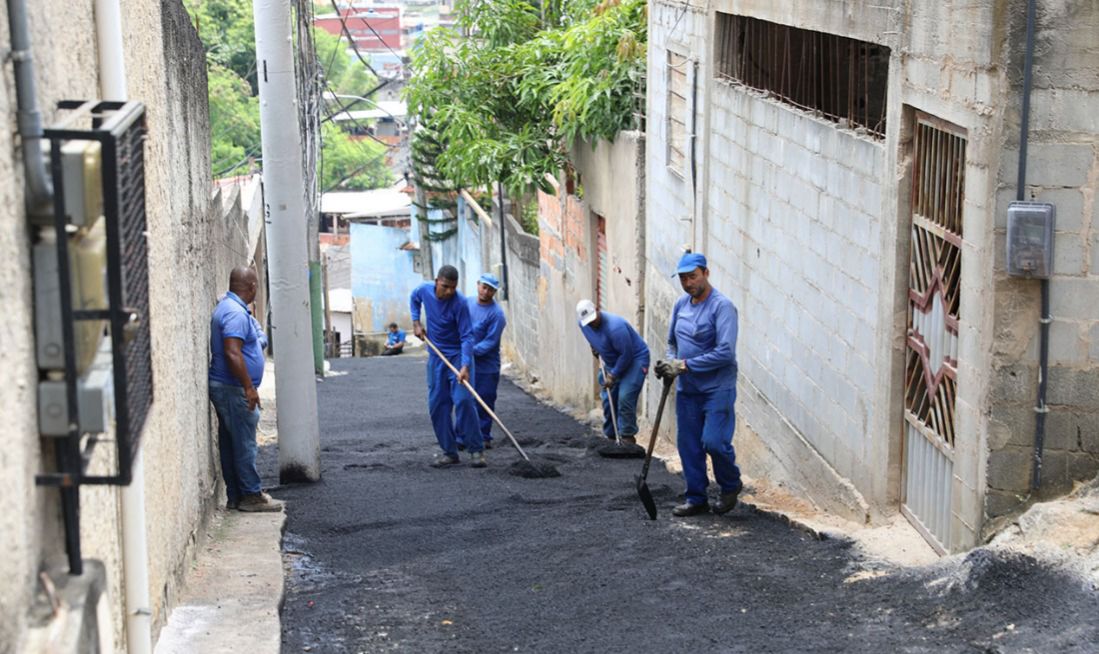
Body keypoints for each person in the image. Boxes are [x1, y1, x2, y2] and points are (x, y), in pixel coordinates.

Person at [655, 252, 743, 517]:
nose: (688, 283)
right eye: (683, 278)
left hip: (717, 389)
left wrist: (683, 366)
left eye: (692, 276)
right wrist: (669, 363)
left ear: (706, 273)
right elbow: (673, 343)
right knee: (689, 445)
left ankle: (730, 484)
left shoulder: (722, 307)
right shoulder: (681, 305)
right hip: (688, 391)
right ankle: (696, 498)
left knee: (714, 442)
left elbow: (726, 352)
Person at [208, 267, 283, 512]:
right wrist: (248, 387)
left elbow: (252, 340)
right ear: (251, 286)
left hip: (227, 387)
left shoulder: (232, 309)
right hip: (233, 388)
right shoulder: (235, 314)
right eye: (256, 286)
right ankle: (250, 495)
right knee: (244, 443)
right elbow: (232, 352)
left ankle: (236, 496)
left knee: (232, 442)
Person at [410, 265, 486, 468]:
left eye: (453, 287)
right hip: (436, 358)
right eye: (445, 286)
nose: (449, 291)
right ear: (437, 282)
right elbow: (414, 298)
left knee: (464, 401)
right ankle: (449, 452)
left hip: (457, 357)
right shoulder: (424, 290)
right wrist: (416, 322)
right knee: (437, 405)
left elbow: (467, 336)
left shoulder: (459, 303)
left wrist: (465, 365)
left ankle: (476, 450)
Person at [576, 299, 650, 444]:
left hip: (634, 359)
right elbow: (593, 338)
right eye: (588, 322)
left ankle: (627, 437)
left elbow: (626, 355)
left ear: (597, 310)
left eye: (593, 319)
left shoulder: (616, 327)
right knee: (608, 399)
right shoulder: (584, 324)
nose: (592, 323)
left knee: (624, 397)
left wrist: (613, 375)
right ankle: (611, 436)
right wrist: (595, 347)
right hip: (611, 360)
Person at [466, 273, 507, 449]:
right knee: (465, 400)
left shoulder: (497, 315)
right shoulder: (466, 303)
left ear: (494, 292)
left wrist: (468, 351)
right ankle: (463, 437)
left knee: (485, 400)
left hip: (486, 366)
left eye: (490, 289)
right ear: (477, 285)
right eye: (484, 287)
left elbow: (490, 342)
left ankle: (484, 437)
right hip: (467, 362)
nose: (486, 291)